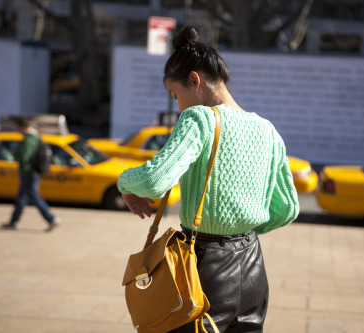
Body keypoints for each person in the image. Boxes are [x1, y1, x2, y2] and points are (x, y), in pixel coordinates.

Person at [117, 25, 299, 333]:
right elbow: (288, 209)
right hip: (253, 267)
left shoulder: (199, 119)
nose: (179, 105)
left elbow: (155, 180)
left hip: (206, 266)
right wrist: (241, 230)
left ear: (194, 80)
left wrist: (124, 182)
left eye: (176, 95)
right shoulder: (267, 130)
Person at [2, 118, 60, 232]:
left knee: (34, 197)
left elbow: (24, 156)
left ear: (22, 127)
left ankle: (51, 218)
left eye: (18, 128)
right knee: (21, 198)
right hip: (32, 172)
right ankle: (14, 221)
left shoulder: (29, 139)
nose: (17, 131)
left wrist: (15, 154)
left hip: (29, 172)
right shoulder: (37, 136)